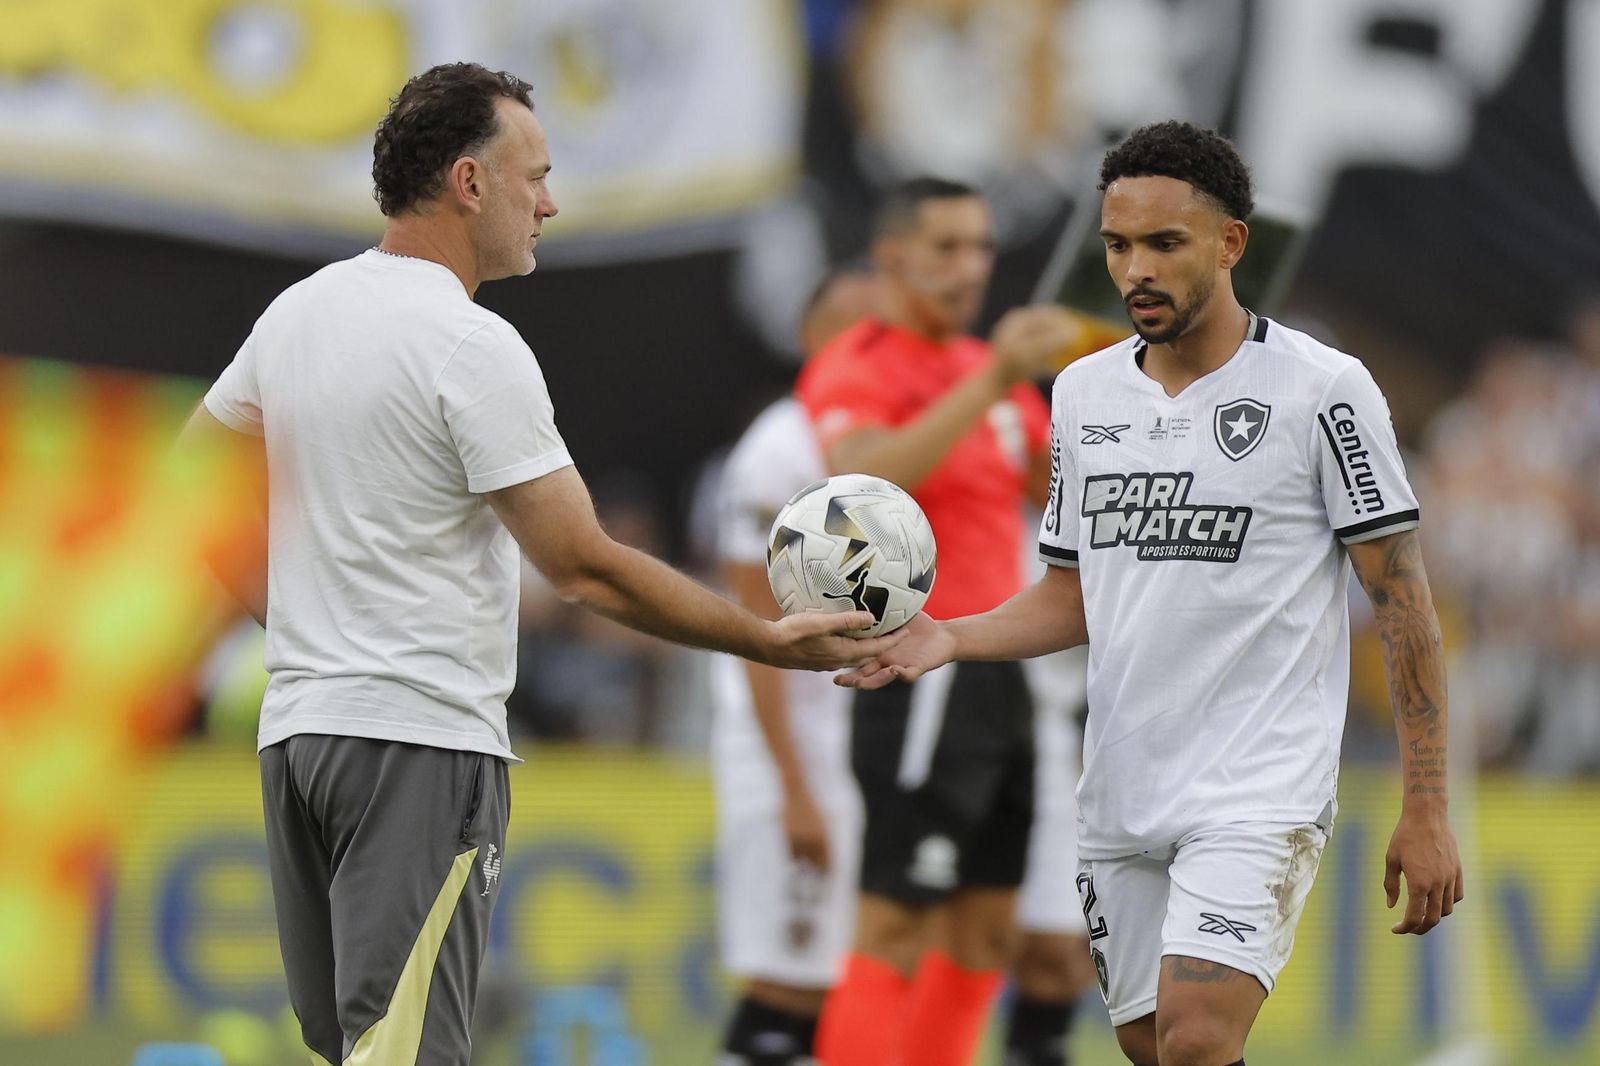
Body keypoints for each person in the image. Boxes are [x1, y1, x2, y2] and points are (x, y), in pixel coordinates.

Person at [174, 62, 901, 1066]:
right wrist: (762, 638)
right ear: (469, 182)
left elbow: (187, 496)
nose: (549, 203)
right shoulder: (473, 345)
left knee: (348, 1048)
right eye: (535, 175)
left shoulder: (298, 313)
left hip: (299, 736)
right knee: (407, 1051)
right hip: (419, 744)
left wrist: (305, 629)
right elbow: (584, 568)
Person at [839, 121, 1464, 1066]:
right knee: (1150, 1046)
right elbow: (1070, 595)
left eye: (1164, 244)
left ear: (1230, 243)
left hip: (1260, 787)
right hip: (1122, 787)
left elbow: (1405, 604)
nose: (1136, 269)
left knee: (1195, 1038)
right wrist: (950, 639)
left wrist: (1426, 806)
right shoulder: (1085, 394)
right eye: (1119, 246)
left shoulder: (1323, 391)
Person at [798, 178, 1080, 1066]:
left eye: (981, 247)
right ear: (892, 258)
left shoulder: (987, 377)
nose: (971, 267)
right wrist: (996, 375)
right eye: (947, 247)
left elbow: (1055, 491)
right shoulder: (862, 364)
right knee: (895, 920)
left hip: (1000, 666)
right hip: (915, 665)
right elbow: (866, 482)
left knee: (987, 928)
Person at [711, 263, 883, 1066]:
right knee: (789, 985)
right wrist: (795, 789)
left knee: (818, 984)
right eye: (850, 328)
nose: (868, 348)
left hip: (836, 739)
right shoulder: (778, 451)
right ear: (809, 339)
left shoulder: (869, 451)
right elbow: (756, 634)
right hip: (784, 745)